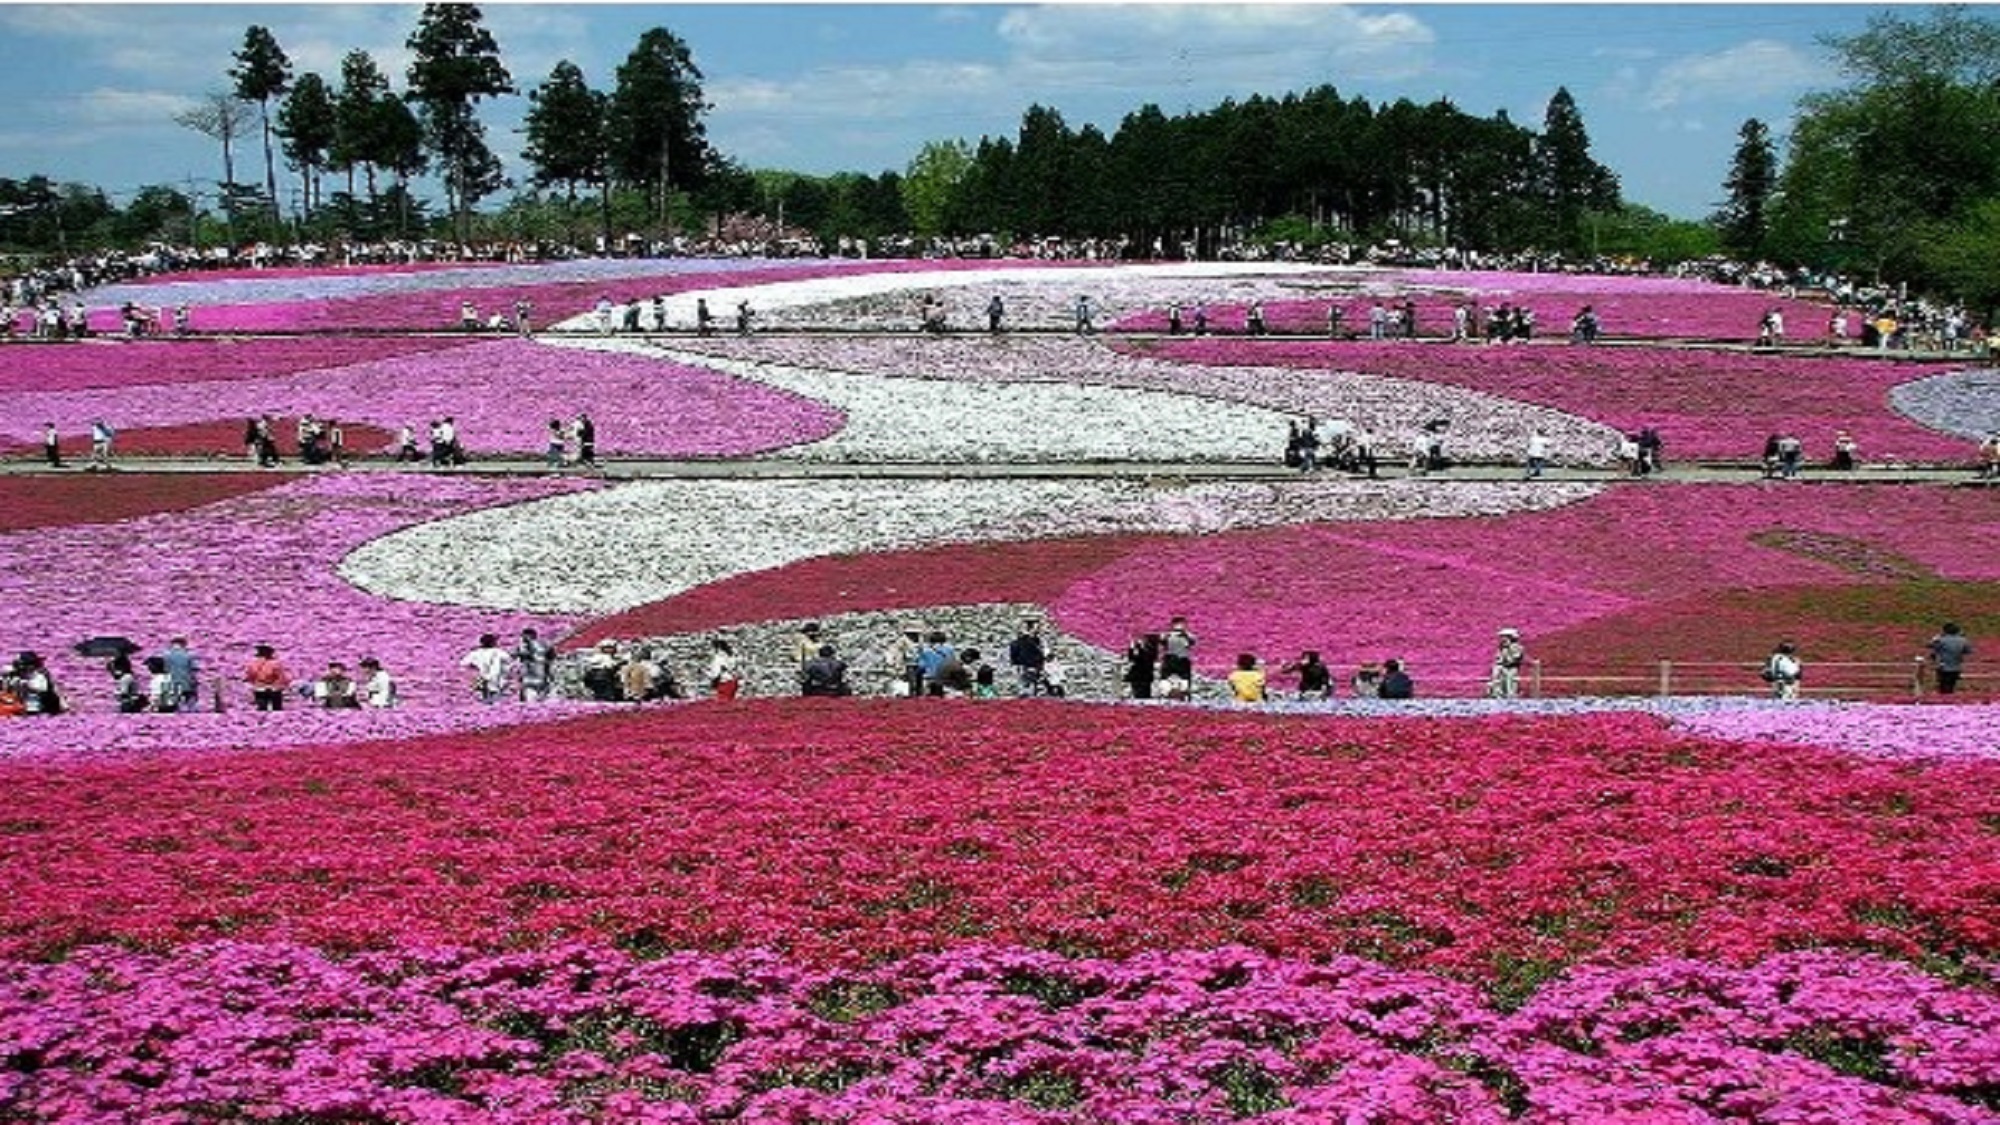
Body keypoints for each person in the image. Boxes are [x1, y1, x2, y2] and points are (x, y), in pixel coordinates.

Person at [461, 633, 513, 704]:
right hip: (495, 681)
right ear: (493, 642)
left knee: (483, 700)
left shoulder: (475, 653)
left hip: (482, 681)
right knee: (495, 701)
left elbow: (464, 663)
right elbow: (510, 662)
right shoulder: (499, 652)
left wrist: (475, 667)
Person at [1928, 623, 1973, 695]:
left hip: (1943, 667)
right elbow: (1968, 651)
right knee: (1951, 686)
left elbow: (1930, 646)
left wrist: (1934, 639)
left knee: (1943, 687)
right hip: (1956, 667)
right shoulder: (1963, 640)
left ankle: (1944, 702)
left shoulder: (1941, 640)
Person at [244, 644, 291, 711]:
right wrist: (284, 686)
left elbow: (250, 676)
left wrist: (254, 683)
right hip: (274, 689)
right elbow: (281, 677)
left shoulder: (253, 664)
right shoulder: (275, 664)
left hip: (259, 688)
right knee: (276, 709)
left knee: (262, 708)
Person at [1008, 619, 1048, 697]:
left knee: (1033, 693)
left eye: (1039, 627)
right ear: (1030, 629)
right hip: (1027, 669)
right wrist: (1023, 666)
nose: (1039, 630)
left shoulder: (1038, 641)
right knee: (1027, 693)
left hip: (1036, 670)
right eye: (1037, 627)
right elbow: (1015, 656)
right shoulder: (1022, 642)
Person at [161, 636, 200, 714]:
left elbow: (164, 670)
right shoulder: (189, 655)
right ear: (183, 644)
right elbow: (194, 669)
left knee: (174, 705)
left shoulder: (165, 656)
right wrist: (195, 681)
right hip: (187, 683)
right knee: (191, 702)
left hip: (172, 683)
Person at [514, 628, 555, 702]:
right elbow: (550, 659)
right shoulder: (545, 645)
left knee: (533, 702)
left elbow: (550, 659)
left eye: (523, 636)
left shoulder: (523, 647)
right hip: (532, 678)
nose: (522, 638)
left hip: (535, 678)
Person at [1488, 628, 1526, 699]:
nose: (1502, 639)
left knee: (1510, 685)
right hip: (1503, 670)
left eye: (1504, 637)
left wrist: (1504, 661)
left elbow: (1513, 659)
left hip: (1511, 670)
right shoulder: (1502, 648)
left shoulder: (1517, 648)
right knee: (1498, 681)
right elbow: (1498, 659)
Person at [1160, 616, 1196, 686]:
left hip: (1183, 661)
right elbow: (1162, 641)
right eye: (1177, 623)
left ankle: (1185, 693)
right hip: (1169, 661)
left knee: (1185, 683)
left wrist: (1185, 634)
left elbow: (1193, 641)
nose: (1179, 626)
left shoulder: (1187, 636)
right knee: (1165, 683)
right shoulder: (1167, 635)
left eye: (1181, 624)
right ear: (1173, 625)